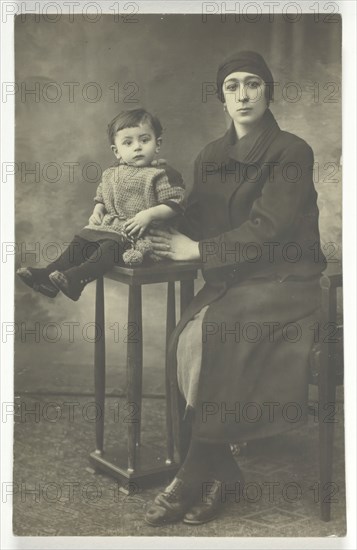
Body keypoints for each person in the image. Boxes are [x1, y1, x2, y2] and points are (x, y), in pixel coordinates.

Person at [144, 50, 327, 526]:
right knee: (186, 338)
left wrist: (198, 252)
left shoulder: (292, 150)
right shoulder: (210, 155)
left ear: (268, 92)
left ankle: (193, 472)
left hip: (286, 283)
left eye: (252, 84)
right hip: (236, 281)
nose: (242, 95)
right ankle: (222, 469)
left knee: (216, 332)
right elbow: (198, 214)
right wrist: (158, 217)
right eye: (232, 87)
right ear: (222, 99)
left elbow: (270, 228)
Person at [16, 108, 185, 301]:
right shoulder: (112, 173)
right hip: (112, 227)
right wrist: (98, 210)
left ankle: (78, 279)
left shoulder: (161, 173)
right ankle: (48, 275)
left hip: (144, 237)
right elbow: (102, 197)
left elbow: (175, 203)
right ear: (117, 151)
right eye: (128, 143)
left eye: (144, 140)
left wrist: (149, 215)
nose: (137, 147)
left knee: (110, 246)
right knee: (82, 240)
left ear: (157, 144)